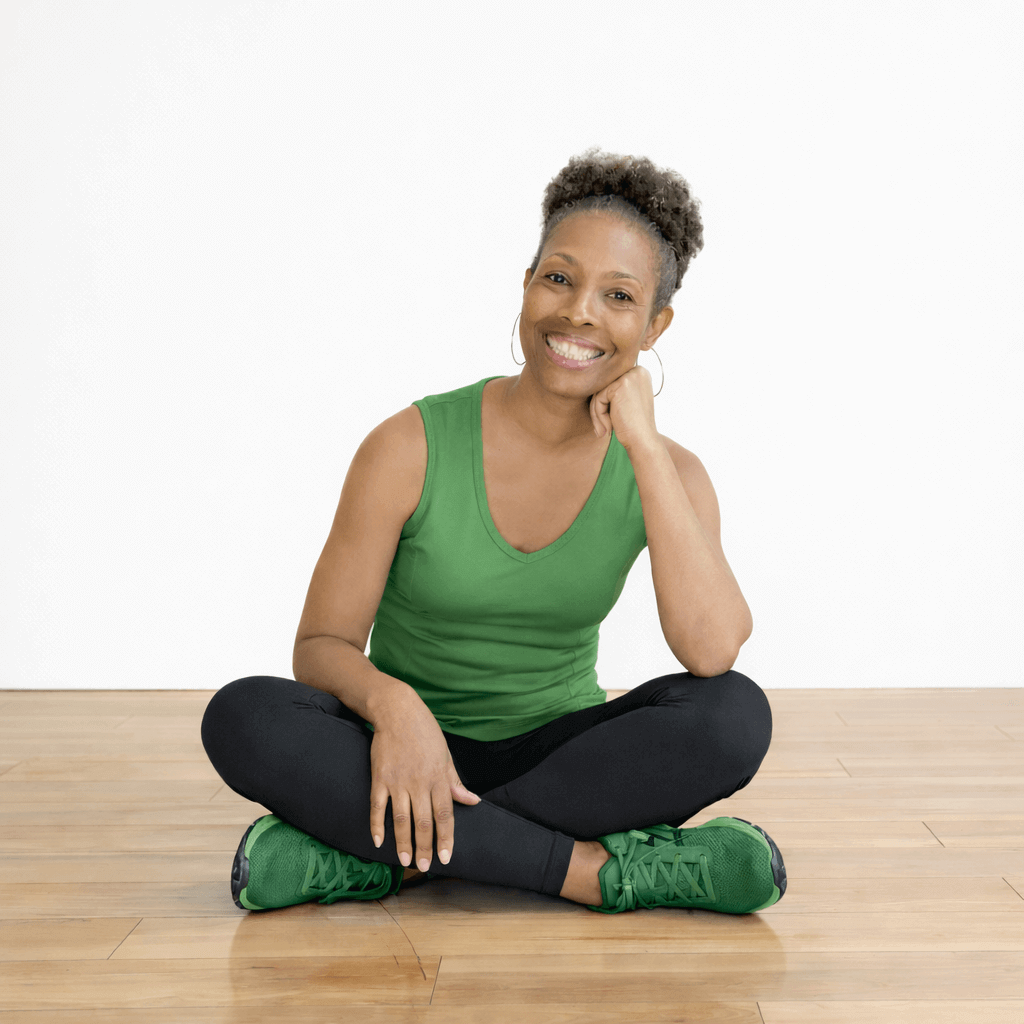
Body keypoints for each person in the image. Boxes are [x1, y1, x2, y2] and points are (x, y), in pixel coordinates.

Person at [201, 146, 787, 916]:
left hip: (560, 754)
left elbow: (711, 650)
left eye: (618, 295)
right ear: (526, 283)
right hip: (397, 748)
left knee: (735, 716)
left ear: (655, 324)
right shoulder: (408, 445)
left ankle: (389, 860)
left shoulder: (670, 472)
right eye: (558, 278)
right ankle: (599, 874)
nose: (578, 311)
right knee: (243, 716)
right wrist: (398, 711)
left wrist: (644, 446)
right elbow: (320, 648)